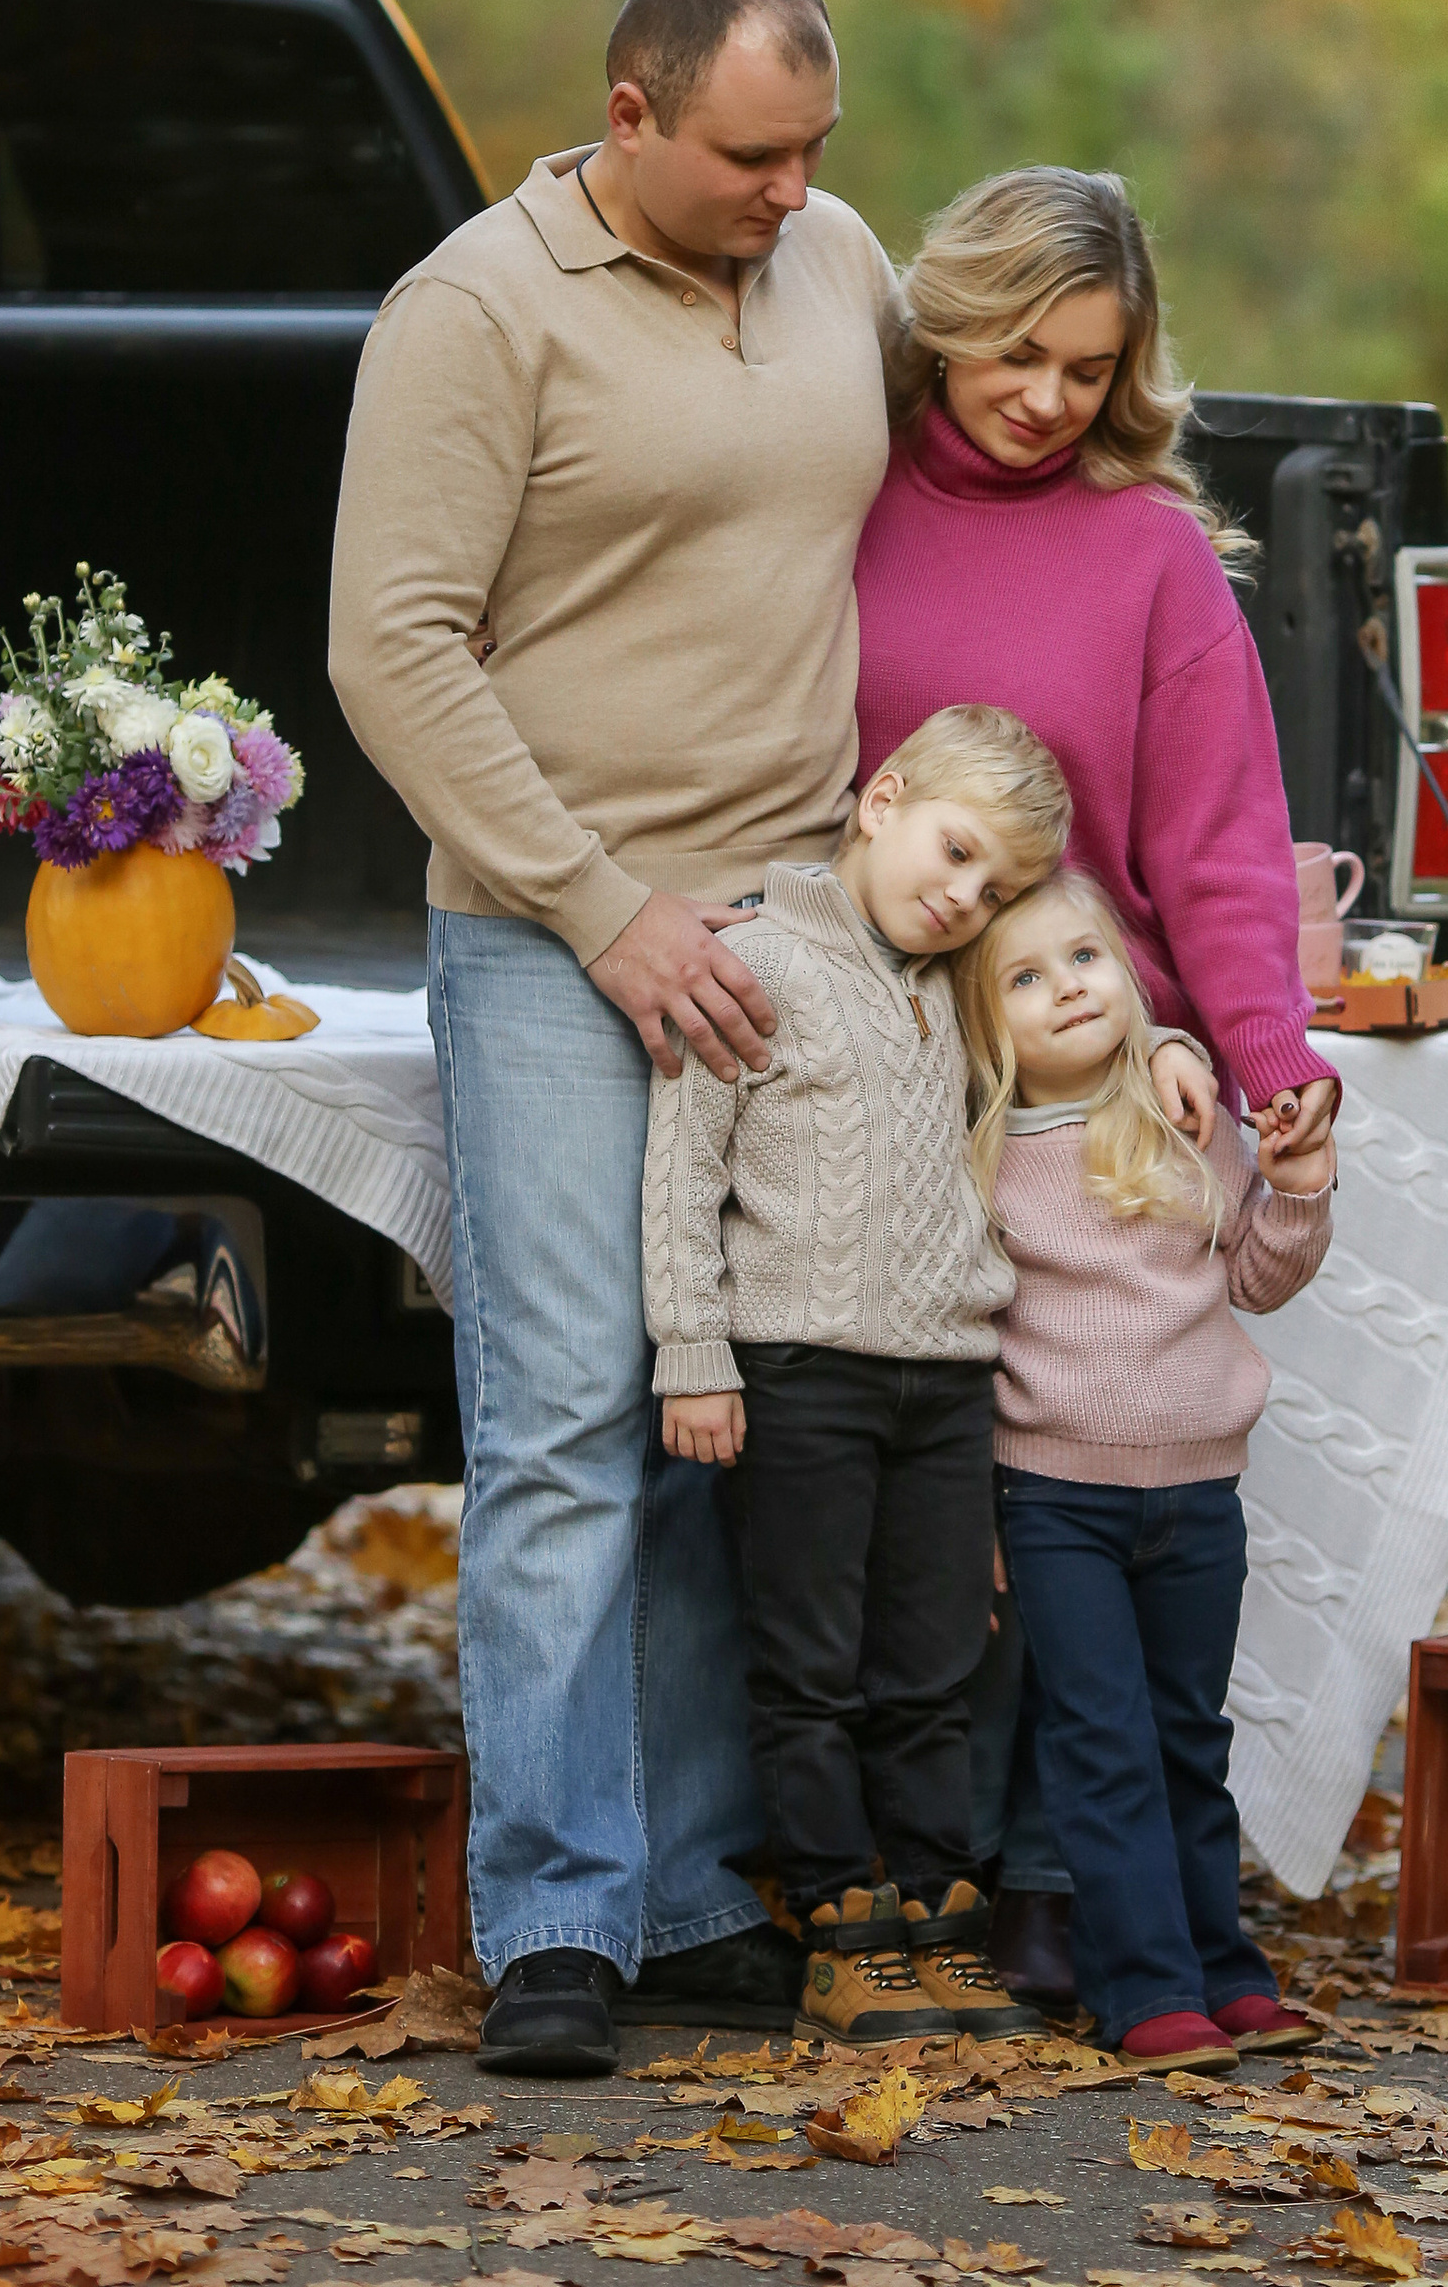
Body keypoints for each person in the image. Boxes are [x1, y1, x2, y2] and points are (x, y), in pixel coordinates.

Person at [329, 0, 894, 2078]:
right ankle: (558, 1911)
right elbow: (393, 650)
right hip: (563, 934)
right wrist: (598, 907)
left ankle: (682, 1898)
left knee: (717, 1420)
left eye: (816, 147)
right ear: (628, 112)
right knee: (566, 1418)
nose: (793, 188)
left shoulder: (833, 258)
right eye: (753, 151)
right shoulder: (476, 309)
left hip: (806, 934)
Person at [853, 165, 1339, 1990]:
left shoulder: (1148, 555)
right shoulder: (841, 500)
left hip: (1078, 1073)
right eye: (1018, 352)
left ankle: (1069, 1879)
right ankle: (892, 1850)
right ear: (948, 315)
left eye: (1089, 367)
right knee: (898, 1477)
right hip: (875, 1061)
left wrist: (1271, 1054)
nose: (1046, 396)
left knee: (1082, 1470)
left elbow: (1218, 843)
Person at [643, 706, 1067, 2047]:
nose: (963, 898)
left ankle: (939, 1914)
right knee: (811, 1663)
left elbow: (1071, 1051)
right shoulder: (755, 960)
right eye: (954, 854)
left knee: (936, 1662)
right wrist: (694, 1354)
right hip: (802, 1372)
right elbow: (682, 1173)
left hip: (943, 1383)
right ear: (881, 799)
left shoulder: (957, 993)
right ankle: (840, 1919)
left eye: (994, 888)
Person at [955, 874, 1334, 2067]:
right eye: (1025, 978)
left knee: (1187, 1739)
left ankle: (1223, 1969)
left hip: (1197, 1499)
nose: (1068, 986)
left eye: (1085, 958)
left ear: (1127, 974)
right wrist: (980, 1517)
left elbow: (1259, 1276)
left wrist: (1298, 1185)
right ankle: (1141, 1986)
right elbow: (961, 1341)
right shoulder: (979, 1164)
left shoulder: (1182, 1124)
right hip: (1055, 1500)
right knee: (1101, 1741)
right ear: (983, 1025)